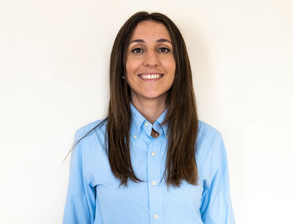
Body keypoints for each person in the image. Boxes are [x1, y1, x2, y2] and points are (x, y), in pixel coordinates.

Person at [63, 11, 235, 224]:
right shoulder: (89, 143)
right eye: (137, 50)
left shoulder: (210, 142)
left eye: (163, 49)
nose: (151, 60)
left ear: (177, 64)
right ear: (122, 66)